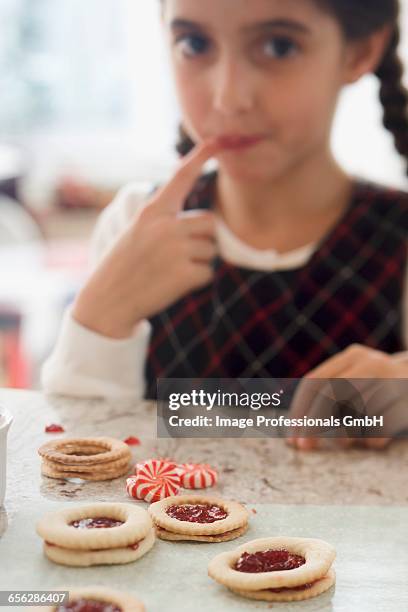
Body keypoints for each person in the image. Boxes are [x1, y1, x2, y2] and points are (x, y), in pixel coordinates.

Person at [42, 0, 408, 451]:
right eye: (194, 44)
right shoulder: (136, 224)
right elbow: (74, 464)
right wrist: (99, 317)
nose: (228, 97)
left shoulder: (398, 239)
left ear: (358, 53)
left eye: (278, 46)